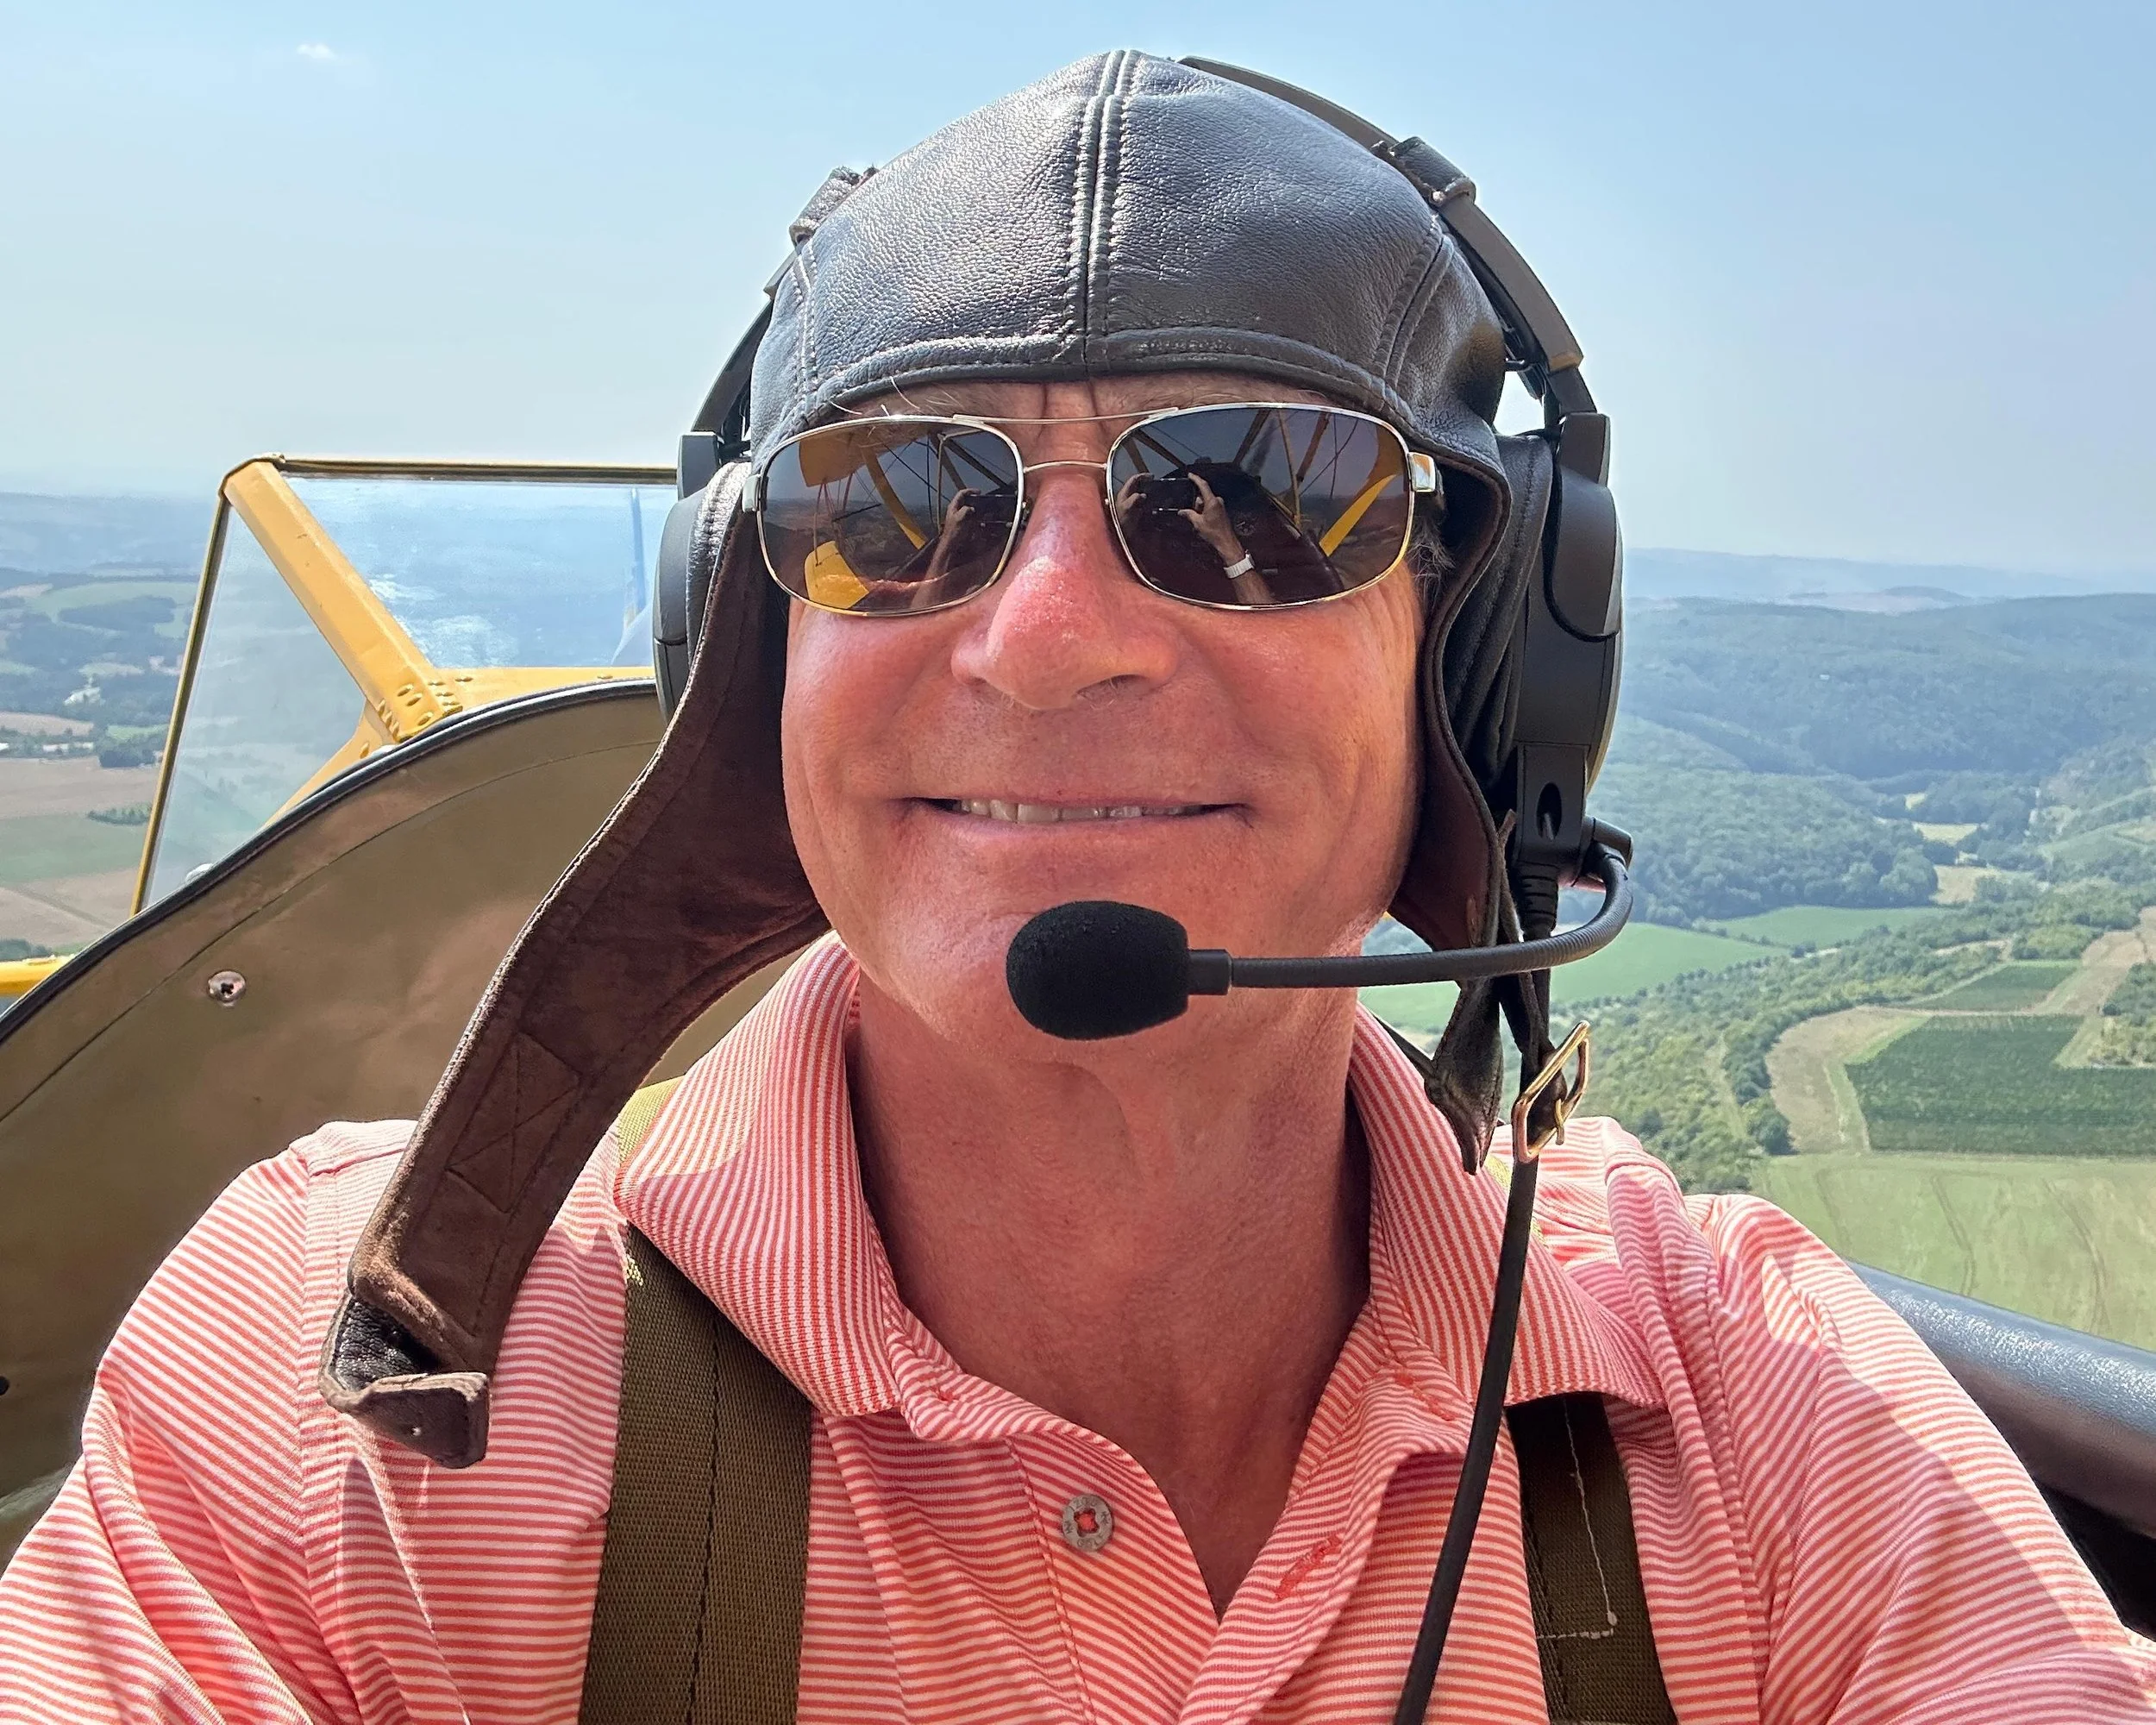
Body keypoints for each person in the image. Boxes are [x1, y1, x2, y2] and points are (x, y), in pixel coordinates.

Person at [3, 51, 2151, 1725]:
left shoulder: (1756, 1401)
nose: (1044, 636)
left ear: (1483, 657)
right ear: (740, 647)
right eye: (886, 501)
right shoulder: (340, 1395)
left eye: (1246, 490)